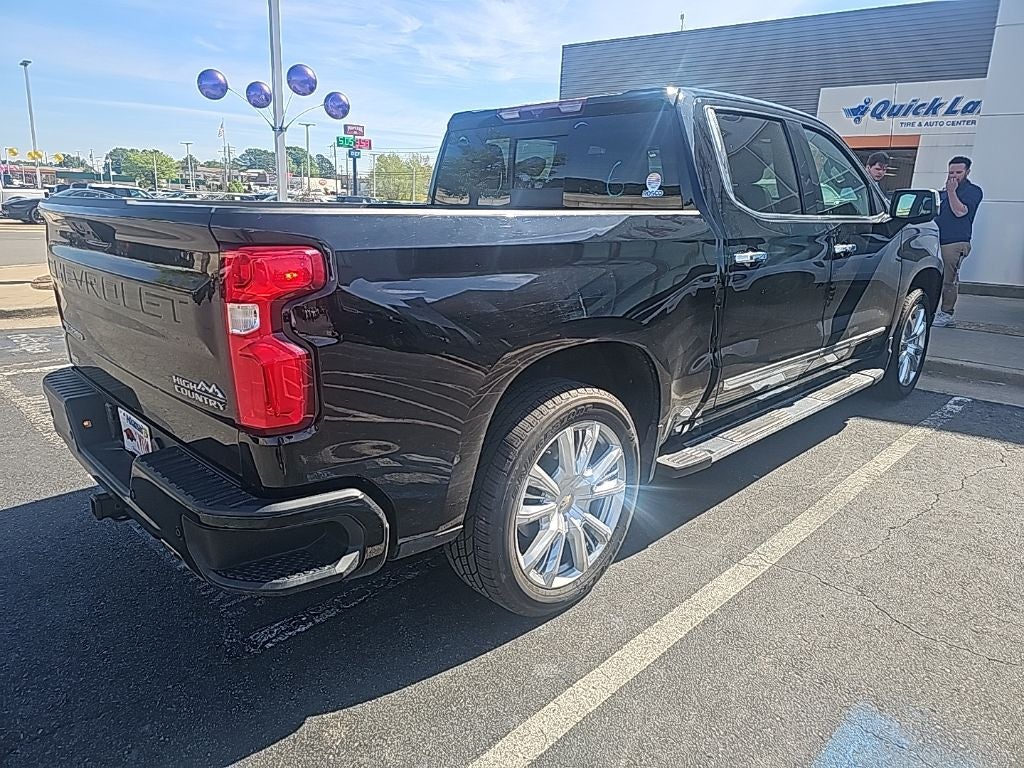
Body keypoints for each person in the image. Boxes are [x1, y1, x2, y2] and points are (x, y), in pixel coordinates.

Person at [933, 156, 984, 327]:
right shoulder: (942, 192)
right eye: (951, 172)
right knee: (933, 277)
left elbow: (960, 212)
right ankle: (932, 310)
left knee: (949, 279)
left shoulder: (973, 191)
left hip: (955, 242)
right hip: (936, 239)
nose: (954, 176)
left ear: (967, 172)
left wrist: (952, 192)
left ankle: (947, 313)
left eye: (958, 172)